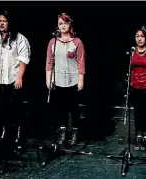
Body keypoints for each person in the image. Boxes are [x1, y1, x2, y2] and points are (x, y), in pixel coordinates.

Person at [0, 10, 31, 150]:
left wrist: (19, 77)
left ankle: (19, 134)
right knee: (2, 108)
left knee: (16, 107)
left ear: (9, 22)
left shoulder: (19, 38)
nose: (1, 23)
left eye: (4, 21)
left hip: (13, 78)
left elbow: (24, 58)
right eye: (0, 20)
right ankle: (5, 133)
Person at [46, 12, 85, 146]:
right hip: (58, 79)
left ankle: (74, 131)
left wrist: (81, 79)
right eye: (60, 23)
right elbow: (49, 61)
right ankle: (62, 131)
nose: (63, 26)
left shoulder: (77, 42)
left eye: (65, 23)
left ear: (70, 24)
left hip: (72, 80)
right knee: (60, 107)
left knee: (73, 107)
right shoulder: (53, 42)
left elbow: (80, 62)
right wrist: (48, 78)